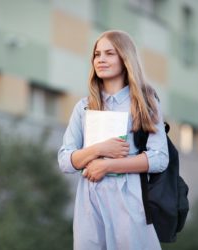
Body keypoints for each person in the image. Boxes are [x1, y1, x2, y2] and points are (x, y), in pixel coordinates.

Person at [58, 30, 169, 250]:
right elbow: (65, 160)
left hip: (130, 202)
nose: (100, 59)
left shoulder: (145, 104)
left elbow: (160, 158)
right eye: (97, 54)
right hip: (90, 204)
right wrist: (100, 148)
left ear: (125, 58)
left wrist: (108, 165)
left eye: (109, 53)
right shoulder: (84, 107)